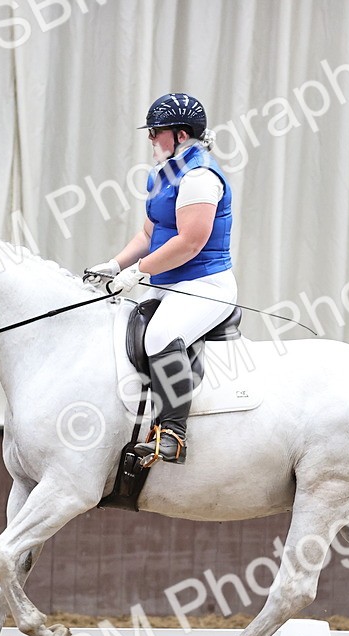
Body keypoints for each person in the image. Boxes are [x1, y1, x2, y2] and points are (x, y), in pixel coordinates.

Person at [85, 92, 238, 466]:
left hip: (205, 285)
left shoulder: (200, 177)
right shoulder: (164, 173)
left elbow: (190, 242)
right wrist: (115, 265)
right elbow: (147, 235)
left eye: (157, 131)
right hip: (169, 283)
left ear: (181, 135)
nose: (151, 138)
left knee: (159, 336)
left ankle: (173, 433)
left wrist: (139, 272)